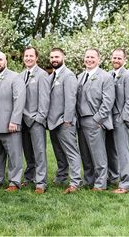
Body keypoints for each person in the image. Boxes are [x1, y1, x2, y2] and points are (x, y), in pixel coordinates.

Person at [76, 49, 115, 191]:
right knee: (85, 154)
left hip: (95, 120)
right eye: (87, 57)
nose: (89, 60)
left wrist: (98, 119)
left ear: (98, 59)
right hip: (81, 121)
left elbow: (108, 101)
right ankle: (89, 180)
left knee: (98, 155)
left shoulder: (105, 77)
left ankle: (100, 184)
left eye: (92, 57)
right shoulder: (80, 76)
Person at [0, 51, 26, 192]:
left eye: (0, 60)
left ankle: (14, 182)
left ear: (6, 61)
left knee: (14, 155)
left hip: (10, 124)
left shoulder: (15, 77)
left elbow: (19, 100)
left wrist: (15, 121)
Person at [47, 48, 83, 193]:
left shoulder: (68, 76)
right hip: (53, 122)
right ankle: (61, 176)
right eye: (52, 57)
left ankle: (75, 182)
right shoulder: (52, 75)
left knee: (71, 152)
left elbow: (71, 98)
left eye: (57, 56)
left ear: (63, 57)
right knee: (59, 152)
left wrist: (67, 119)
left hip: (64, 121)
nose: (54, 59)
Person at [20, 47, 50, 194]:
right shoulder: (20, 75)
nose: (28, 58)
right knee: (28, 152)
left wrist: (40, 118)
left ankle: (41, 183)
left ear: (36, 58)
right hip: (23, 120)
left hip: (36, 120)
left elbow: (45, 99)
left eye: (31, 56)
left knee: (39, 152)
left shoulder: (42, 75)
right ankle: (29, 177)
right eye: (26, 56)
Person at [108, 48, 129, 194]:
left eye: (119, 58)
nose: (116, 60)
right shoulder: (109, 74)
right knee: (111, 151)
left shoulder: (127, 75)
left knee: (123, 152)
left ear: (124, 60)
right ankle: (114, 178)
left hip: (120, 119)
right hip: (109, 119)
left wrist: (123, 118)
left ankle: (126, 184)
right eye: (114, 58)